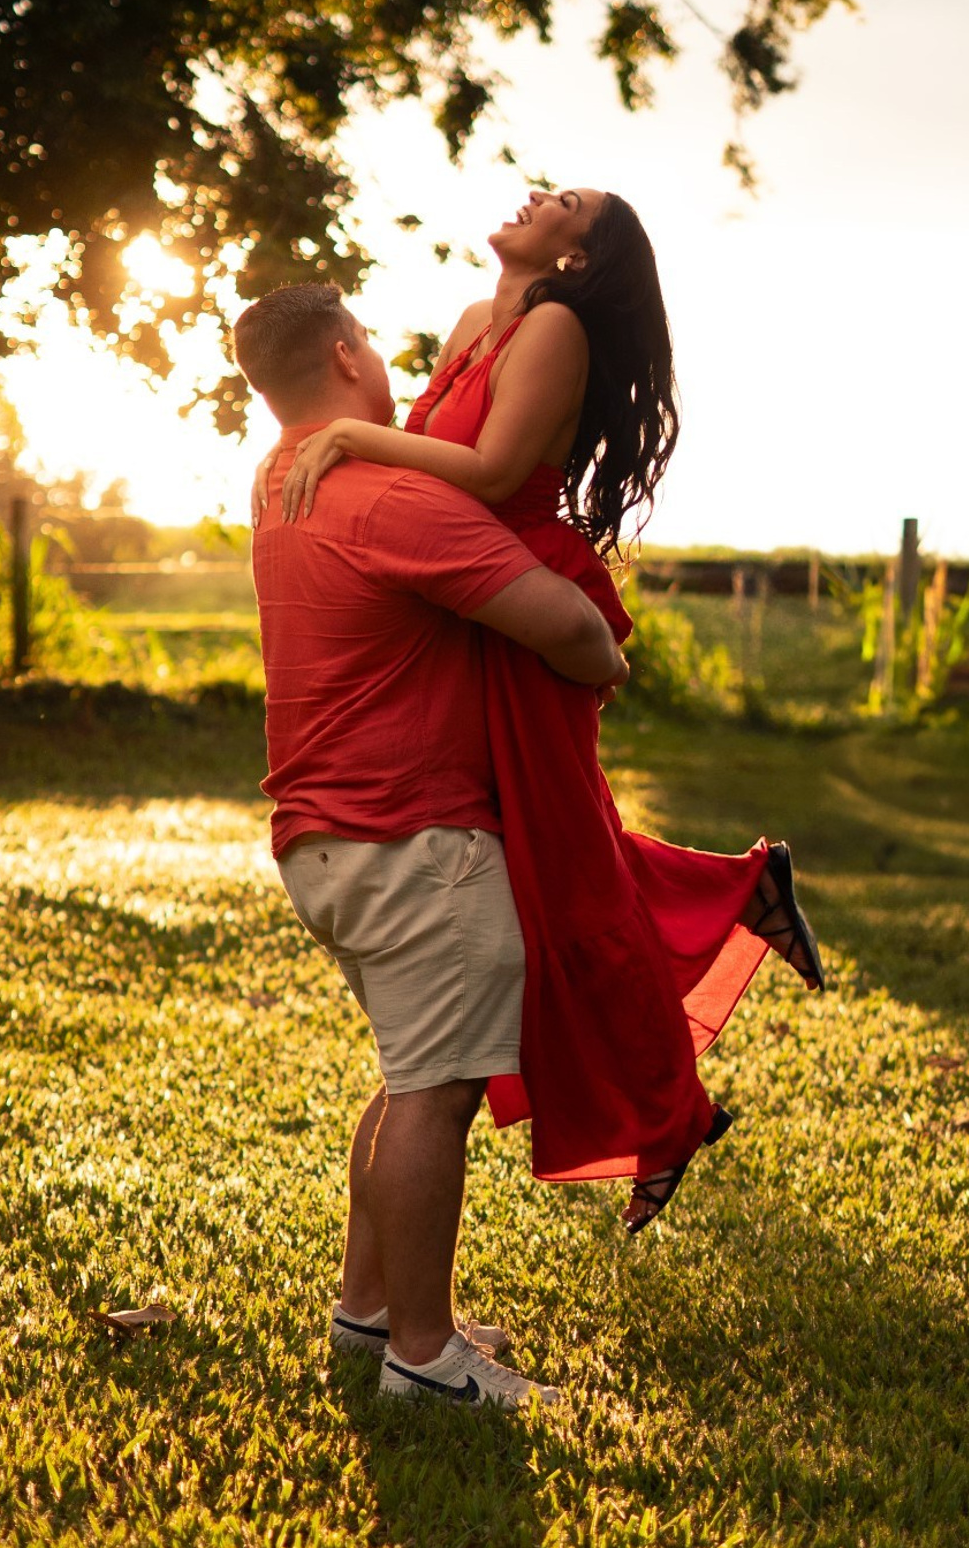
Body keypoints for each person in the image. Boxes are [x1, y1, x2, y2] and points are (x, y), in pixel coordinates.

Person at [265, 188, 824, 1229]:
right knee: (554, 851)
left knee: (560, 859)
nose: (533, 196)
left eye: (562, 203)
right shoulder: (479, 321)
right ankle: (734, 906)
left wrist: (352, 440)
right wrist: (359, 442)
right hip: (472, 594)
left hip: (522, 584)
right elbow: (434, 447)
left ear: (577, 257)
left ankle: (670, 1103)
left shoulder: (555, 328)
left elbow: (488, 472)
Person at [233, 281, 631, 1410]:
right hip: (413, 837)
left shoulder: (281, 480)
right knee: (439, 1094)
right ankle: (426, 1357)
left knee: (410, 1078)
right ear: (351, 353)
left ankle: (370, 1313)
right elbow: (563, 624)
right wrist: (604, 660)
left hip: (329, 838)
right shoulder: (381, 491)